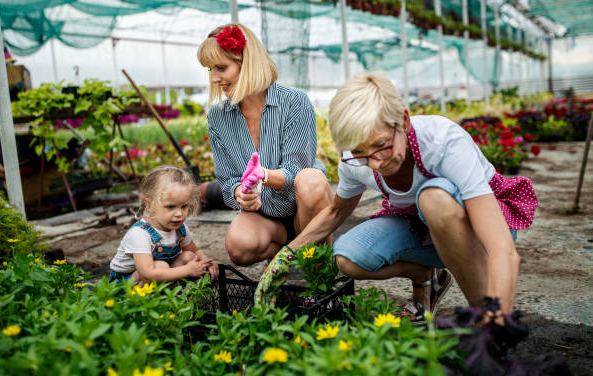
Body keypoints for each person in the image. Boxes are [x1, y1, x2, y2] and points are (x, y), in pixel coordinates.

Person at [257, 72, 537, 322]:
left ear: (402, 120)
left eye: (381, 146)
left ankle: (485, 319)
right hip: (423, 227)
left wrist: (498, 321)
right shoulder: (356, 161)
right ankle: (427, 275)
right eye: (360, 152)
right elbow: (334, 213)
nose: (375, 163)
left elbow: (503, 250)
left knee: (433, 198)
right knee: (346, 257)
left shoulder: (443, 143)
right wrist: (285, 255)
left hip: (482, 226)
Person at [197, 23, 333, 266]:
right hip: (267, 218)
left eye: (221, 67)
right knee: (240, 246)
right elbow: (227, 179)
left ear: (247, 63)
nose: (215, 78)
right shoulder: (218, 116)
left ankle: (319, 267)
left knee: (311, 180)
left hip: (303, 209)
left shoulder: (294, 101)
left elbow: (297, 171)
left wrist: (262, 176)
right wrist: (240, 193)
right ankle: (292, 249)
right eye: (210, 70)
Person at [109, 165, 219, 284]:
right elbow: (148, 274)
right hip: (124, 285)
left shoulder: (180, 229)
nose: (179, 214)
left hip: (158, 274)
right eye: (170, 207)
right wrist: (187, 270)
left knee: (190, 257)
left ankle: (175, 295)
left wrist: (207, 263)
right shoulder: (140, 235)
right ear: (149, 205)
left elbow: (195, 250)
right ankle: (156, 300)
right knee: (161, 266)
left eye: (184, 206)